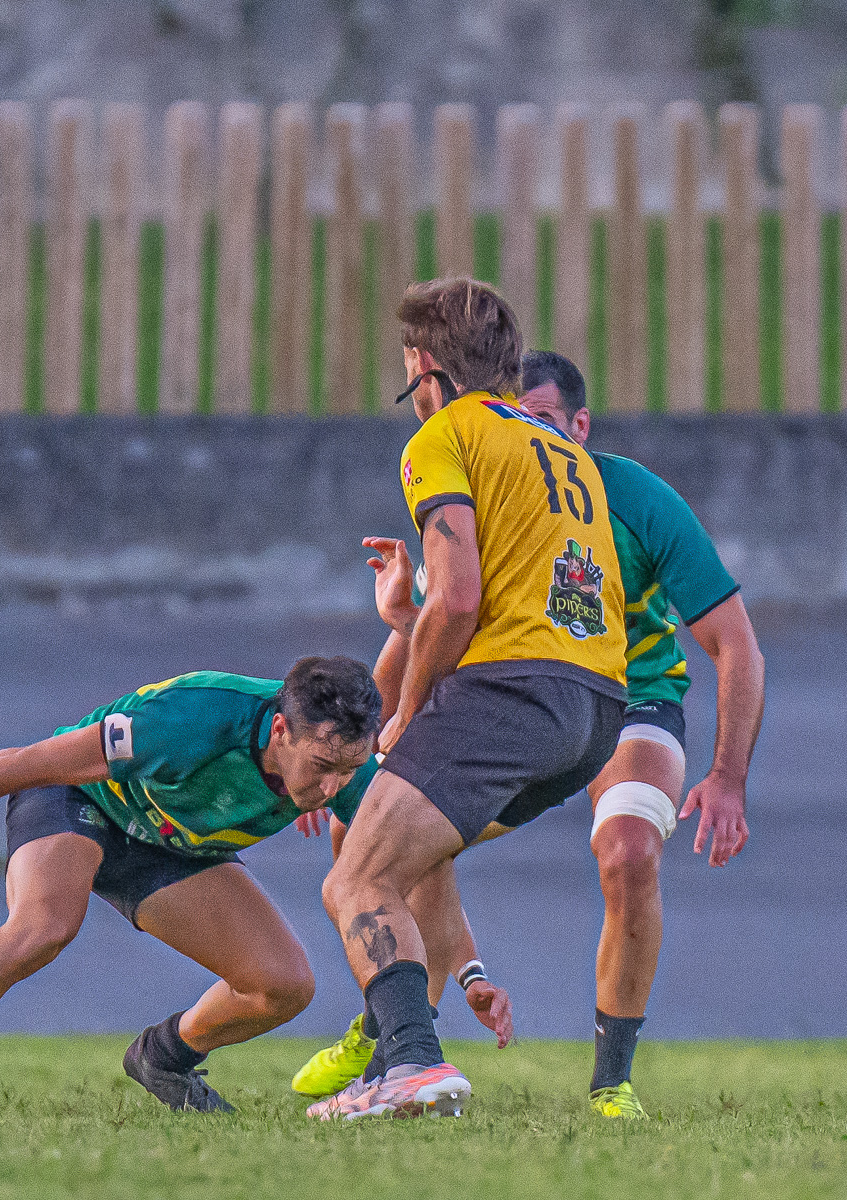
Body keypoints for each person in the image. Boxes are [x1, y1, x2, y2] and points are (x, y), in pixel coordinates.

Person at [292, 349, 765, 1121]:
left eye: (542, 420)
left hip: (631, 702)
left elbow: (735, 642)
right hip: (519, 704)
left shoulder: (636, 497)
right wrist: (342, 761)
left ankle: (611, 1084)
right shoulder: (489, 482)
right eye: (514, 417)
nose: (526, 433)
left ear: (580, 426)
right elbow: (426, 625)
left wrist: (729, 775)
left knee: (628, 851)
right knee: (389, 846)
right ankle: (393, 1041)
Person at [309, 279, 628, 1121]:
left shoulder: (442, 437)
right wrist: (408, 622)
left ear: (425, 366)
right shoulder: (562, 448)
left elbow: (459, 600)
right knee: (401, 849)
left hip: (512, 693)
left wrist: (408, 709)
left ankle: (413, 1062)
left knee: (356, 878)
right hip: (594, 711)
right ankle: (410, 1046)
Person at [0, 657, 384, 1115]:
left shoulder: (346, 769)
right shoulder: (193, 718)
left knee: (283, 985)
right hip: (82, 800)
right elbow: (27, 763)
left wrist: (466, 973)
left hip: (170, 845)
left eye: (347, 770)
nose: (334, 785)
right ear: (281, 729)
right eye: (321, 766)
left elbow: (419, 853)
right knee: (42, 928)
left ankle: (163, 1058)